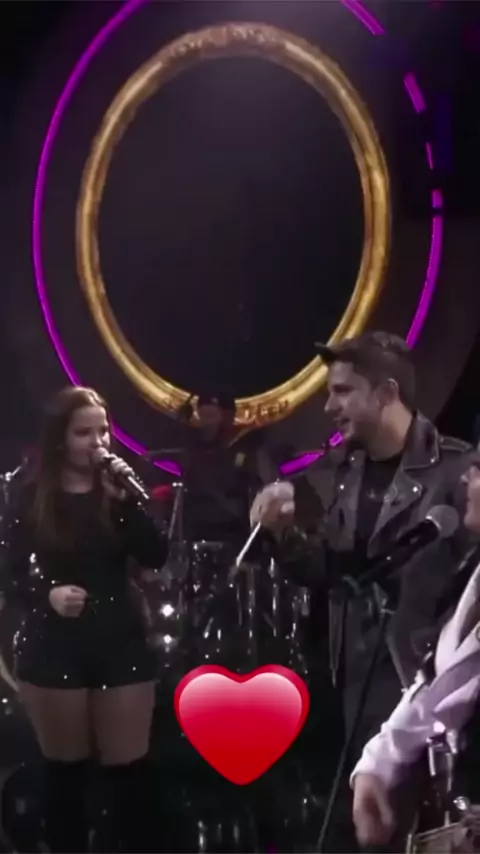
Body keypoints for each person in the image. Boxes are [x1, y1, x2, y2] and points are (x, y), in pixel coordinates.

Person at [250, 331, 477, 850]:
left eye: (343, 391)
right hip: (349, 679)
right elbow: (331, 571)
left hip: (424, 687)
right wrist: (284, 535)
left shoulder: (459, 471)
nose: (329, 406)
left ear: (387, 392)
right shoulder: (347, 472)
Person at [0, 386, 169, 853]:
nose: (99, 443)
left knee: (129, 776)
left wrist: (127, 504)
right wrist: (47, 594)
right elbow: (8, 572)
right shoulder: (31, 494)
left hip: (120, 637)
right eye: (84, 433)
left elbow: (156, 554)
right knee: (66, 778)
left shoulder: (117, 491)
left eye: (103, 431)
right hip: (54, 643)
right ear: (60, 439)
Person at [351, 460, 480, 850]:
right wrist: (377, 766)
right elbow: (440, 688)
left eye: (478, 468)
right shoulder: (469, 572)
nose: (466, 477)